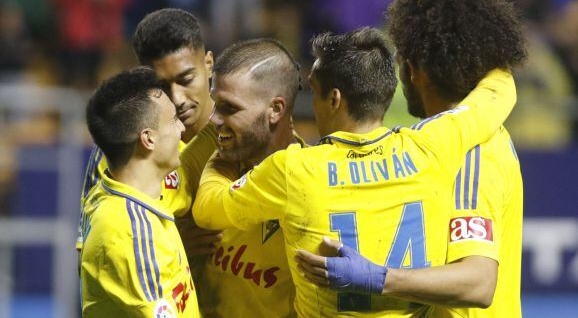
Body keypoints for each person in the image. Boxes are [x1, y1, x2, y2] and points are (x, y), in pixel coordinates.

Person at [192, 27, 517, 317]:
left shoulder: (294, 169)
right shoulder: (429, 146)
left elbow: (208, 210)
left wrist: (220, 160)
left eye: (314, 93)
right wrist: (468, 24)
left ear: (334, 99)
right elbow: (499, 93)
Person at [296, 0, 526, 317]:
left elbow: (478, 282)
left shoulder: (472, 153)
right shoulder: (455, 133)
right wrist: (466, 19)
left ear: (414, 70)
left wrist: (378, 278)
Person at [77, 8, 219, 271]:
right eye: (162, 86)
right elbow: (93, 251)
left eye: (186, 79)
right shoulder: (124, 142)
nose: (177, 98)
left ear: (209, 64)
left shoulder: (242, 130)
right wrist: (173, 245)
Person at [80, 67, 199, 317]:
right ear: (148, 139)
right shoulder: (130, 232)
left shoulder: (117, 191)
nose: (181, 129)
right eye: (174, 119)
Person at [199, 38, 303, 317]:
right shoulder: (202, 162)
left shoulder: (308, 186)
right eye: (215, 104)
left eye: (230, 108)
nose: (213, 119)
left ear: (276, 110)